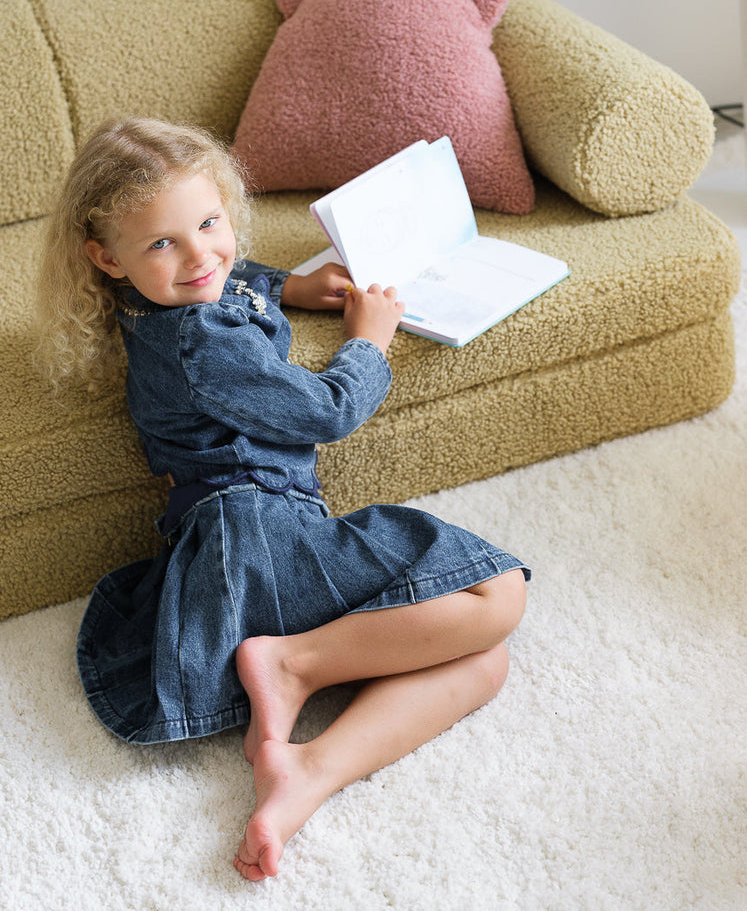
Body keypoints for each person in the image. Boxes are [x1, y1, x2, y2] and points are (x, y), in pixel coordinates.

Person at [36, 116, 530, 882]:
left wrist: (287, 286)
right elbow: (326, 410)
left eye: (210, 223)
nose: (200, 254)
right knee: (494, 595)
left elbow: (222, 282)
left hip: (238, 543)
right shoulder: (204, 343)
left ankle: (307, 773)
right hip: (255, 530)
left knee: (481, 664)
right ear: (106, 256)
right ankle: (294, 665)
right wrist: (369, 340)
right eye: (164, 243)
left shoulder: (160, 305)